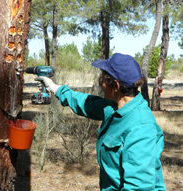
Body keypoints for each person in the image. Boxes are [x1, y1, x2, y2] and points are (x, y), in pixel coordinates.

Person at [35, 53, 166, 191]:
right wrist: (55, 88)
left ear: (115, 86)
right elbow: (85, 103)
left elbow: (139, 187)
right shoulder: (115, 107)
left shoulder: (140, 127)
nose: (100, 84)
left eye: (102, 79)